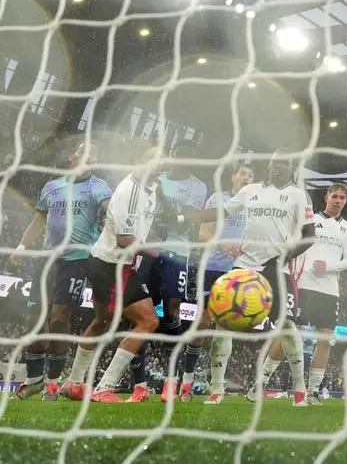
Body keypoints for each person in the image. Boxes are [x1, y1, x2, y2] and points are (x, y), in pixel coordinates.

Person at [200, 149, 316, 406]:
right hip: (243, 267)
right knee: (222, 324)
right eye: (275, 164)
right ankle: (217, 388)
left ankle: (300, 389)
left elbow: (309, 235)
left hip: (276, 268)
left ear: (291, 168)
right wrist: (189, 216)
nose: (278, 168)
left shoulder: (299, 195)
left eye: (284, 164)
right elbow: (223, 213)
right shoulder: (250, 190)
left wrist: (285, 257)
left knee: (286, 326)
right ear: (269, 166)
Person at [11, 142, 113, 400]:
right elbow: (39, 220)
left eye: (94, 158)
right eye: (85, 155)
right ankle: (34, 380)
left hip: (77, 259)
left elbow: (110, 209)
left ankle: (53, 382)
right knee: (34, 318)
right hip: (47, 259)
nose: (89, 160)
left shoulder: (98, 187)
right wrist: (22, 245)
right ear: (72, 158)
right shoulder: (52, 187)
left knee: (59, 317)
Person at [63, 142, 162, 403]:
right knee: (148, 321)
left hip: (108, 262)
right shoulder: (130, 189)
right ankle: (105, 386)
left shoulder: (151, 188)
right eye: (151, 157)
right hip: (113, 265)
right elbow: (124, 239)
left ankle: (73, 384)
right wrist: (160, 253)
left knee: (101, 322)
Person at [254, 182, 347, 405]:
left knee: (325, 338)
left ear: (346, 201)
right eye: (334, 196)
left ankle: (313, 392)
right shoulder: (310, 221)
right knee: (289, 333)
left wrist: (328, 267)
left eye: (342, 197)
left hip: (329, 289)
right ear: (326, 197)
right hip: (302, 284)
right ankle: (261, 382)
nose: (338, 200)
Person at [176, 161, 255, 401]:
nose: (247, 178)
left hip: (238, 272)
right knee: (202, 324)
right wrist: (223, 244)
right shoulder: (217, 199)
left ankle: (217, 387)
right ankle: (186, 383)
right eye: (243, 174)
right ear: (233, 177)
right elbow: (203, 233)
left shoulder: (254, 205)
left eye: (251, 176)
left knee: (225, 327)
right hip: (211, 268)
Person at [149, 143, 209, 400]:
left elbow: (182, 225)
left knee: (172, 306)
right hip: (149, 249)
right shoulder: (156, 179)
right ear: (173, 156)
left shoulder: (198, 186)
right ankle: (138, 383)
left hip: (178, 251)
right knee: (143, 310)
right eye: (181, 155)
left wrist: (162, 199)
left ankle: (172, 379)